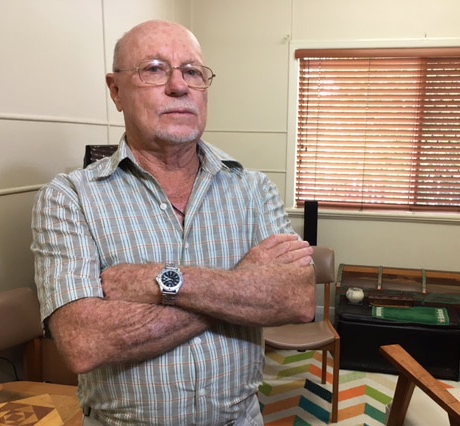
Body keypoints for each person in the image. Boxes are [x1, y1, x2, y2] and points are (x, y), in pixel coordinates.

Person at [31, 20, 316, 426]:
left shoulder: (254, 189)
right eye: (154, 69)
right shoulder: (69, 198)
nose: (179, 86)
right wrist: (243, 287)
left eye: (193, 72)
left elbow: (297, 300)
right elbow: (84, 343)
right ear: (116, 90)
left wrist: (160, 282)